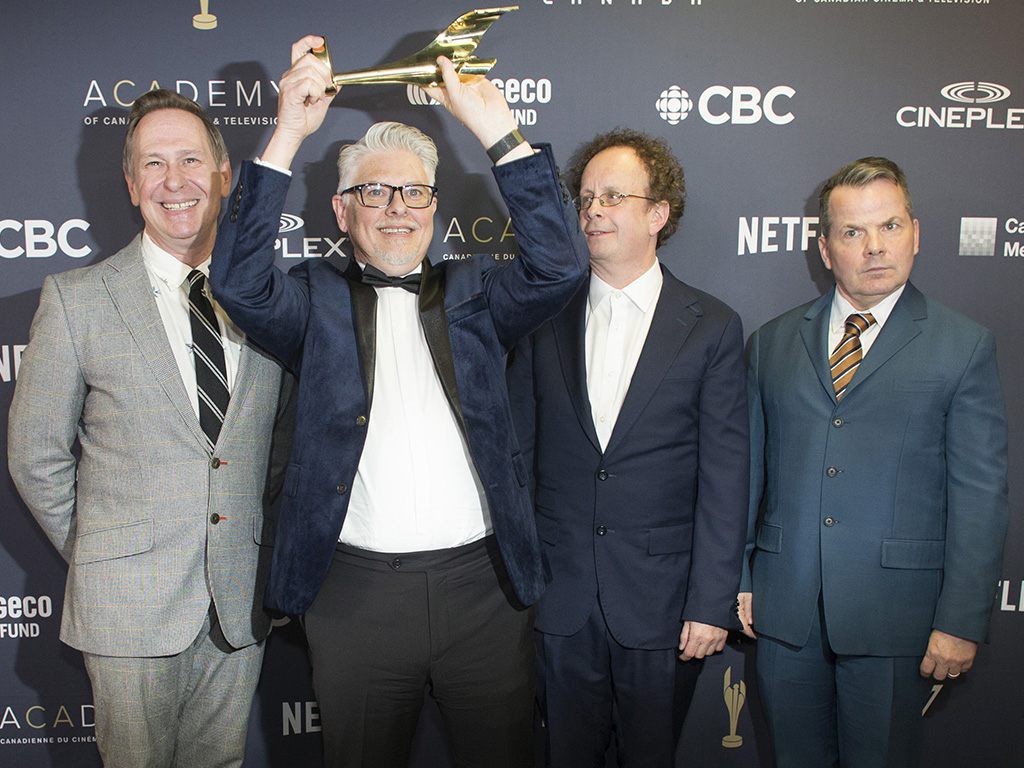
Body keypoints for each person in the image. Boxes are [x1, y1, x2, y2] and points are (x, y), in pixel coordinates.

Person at [209, 36, 588, 768]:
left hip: (484, 591)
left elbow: (561, 265)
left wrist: (496, 131)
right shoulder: (311, 301)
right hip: (354, 600)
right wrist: (288, 130)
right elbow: (237, 282)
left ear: (435, 208)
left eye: (413, 192)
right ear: (341, 211)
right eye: (373, 192)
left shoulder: (477, 293)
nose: (395, 208)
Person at [7, 89, 292, 767]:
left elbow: (280, 445)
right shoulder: (77, 301)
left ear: (224, 175)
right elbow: (34, 455)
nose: (175, 182)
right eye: (154, 165)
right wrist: (107, 553)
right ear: (133, 185)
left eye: (191, 160)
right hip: (126, 609)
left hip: (238, 599)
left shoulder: (271, 298)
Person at [739, 156, 1009, 767]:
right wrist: (742, 576)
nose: (875, 247)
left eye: (889, 227)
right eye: (853, 232)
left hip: (897, 618)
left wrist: (962, 618)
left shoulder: (962, 344)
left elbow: (980, 494)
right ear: (826, 248)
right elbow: (748, 474)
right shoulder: (772, 342)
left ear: (916, 232)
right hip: (786, 613)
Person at [506, 128, 749, 767]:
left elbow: (726, 476)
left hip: (664, 608)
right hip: (558, 603)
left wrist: (710, 600)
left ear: (658, 214)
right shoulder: (539, 316)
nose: (593, 211)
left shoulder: (713, 326)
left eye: (613, 196)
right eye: (585, 198)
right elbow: (520, 463)